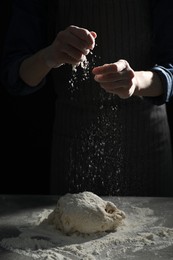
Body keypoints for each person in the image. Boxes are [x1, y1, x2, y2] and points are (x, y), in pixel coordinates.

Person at [1, 0, 173, 196]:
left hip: (145, 140)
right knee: (67, 225)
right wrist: (49, 56)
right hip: (73, 142)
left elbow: (171, 69)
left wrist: (135, 82)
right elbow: (15, 76)